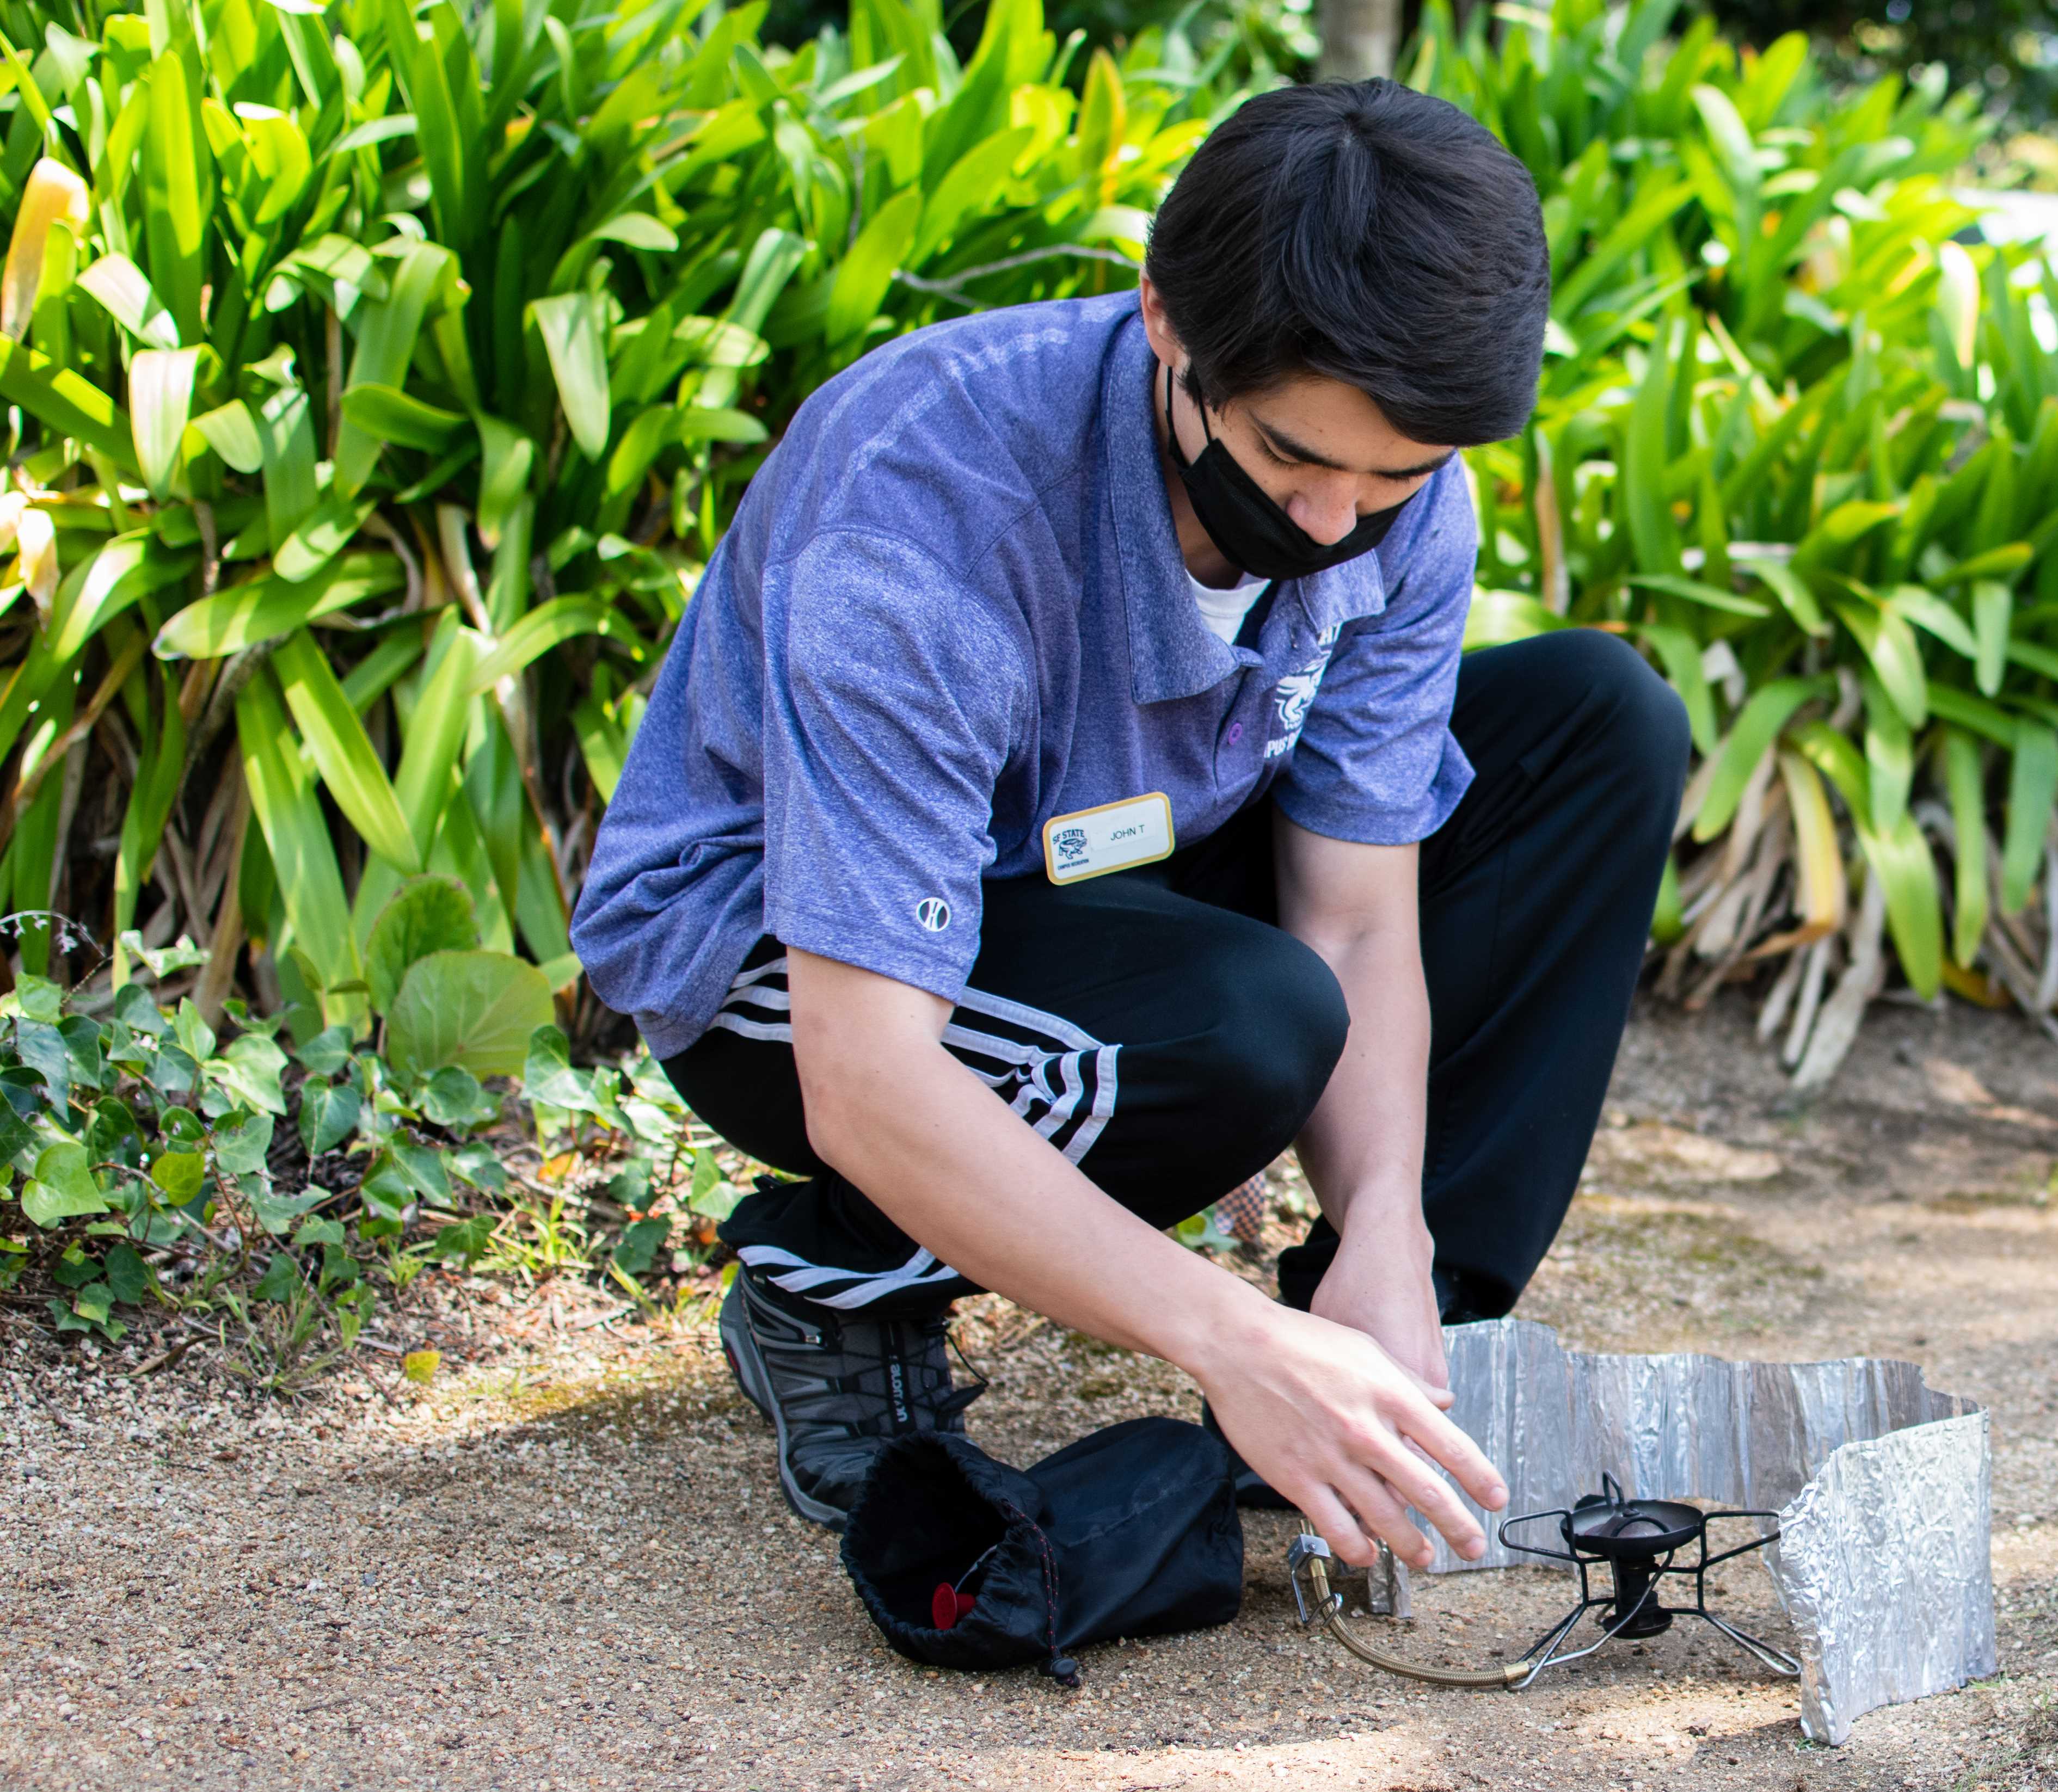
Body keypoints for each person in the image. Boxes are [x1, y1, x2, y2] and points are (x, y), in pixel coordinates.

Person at [572, 81, 1687, 1581]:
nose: (1337, 519)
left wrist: (1388, 1236)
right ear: (1170, 324)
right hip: (794, 956)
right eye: (1296, 460)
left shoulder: (1396, 493)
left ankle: (1391, 1361)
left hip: (1115, 854)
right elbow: (866, 1072)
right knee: (1244, 1025)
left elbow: (1358, 911)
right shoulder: (927, 515)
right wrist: (1221, 1334)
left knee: (1597, 723)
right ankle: (833, 1279)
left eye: (1392, 480)